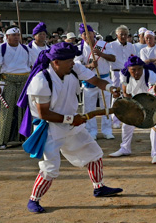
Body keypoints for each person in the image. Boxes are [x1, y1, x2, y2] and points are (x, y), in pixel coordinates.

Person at [18, 42, 123, 213]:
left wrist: (111, 88)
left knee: (94, 153)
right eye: (69, 61)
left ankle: (99, 187)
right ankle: (34, 200)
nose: (73, 63)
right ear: (56, 62)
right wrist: (70, 119)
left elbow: (95, 80)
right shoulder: (41, 81)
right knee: (49, 168)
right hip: (50, 129)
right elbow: (43, 114)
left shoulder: (74, 68)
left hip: (73, 125)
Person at [109, 56, 156, 164]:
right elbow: (126, 93)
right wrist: (132, 107)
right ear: (129, 69)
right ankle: (125, 148)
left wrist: (146, 111)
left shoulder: (150, 74)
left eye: (139, 69)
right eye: (133, 70)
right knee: (127, 122)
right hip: (136, 100)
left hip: (154, 100)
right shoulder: (124, 75)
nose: (137, 72)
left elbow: (155, 95)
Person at [0, 27, 31, 149]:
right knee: (6, 111)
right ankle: (2, 140)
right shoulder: (1, 49)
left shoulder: (25, 49)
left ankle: (24, 138)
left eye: (18, 34)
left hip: (24, 82)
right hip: (8, 82)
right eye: (14, 35)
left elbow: (31, 65)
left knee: (23, 110)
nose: (17, 37)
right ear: (7, 37)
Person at [76, 24, 115, 140]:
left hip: (104, 78)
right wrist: (89, 65)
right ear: (82, 36)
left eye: (89, 32)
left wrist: (101, 54)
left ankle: (107, 130)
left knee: (106, 105)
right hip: (90, 79)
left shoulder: (103, 45)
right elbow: (77, 65)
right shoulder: (79, 48)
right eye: (84, 33)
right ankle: (91, 130)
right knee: (89, 107)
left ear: (93, 33)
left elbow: (113, 58)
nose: (87, 35)